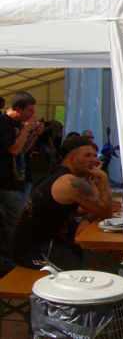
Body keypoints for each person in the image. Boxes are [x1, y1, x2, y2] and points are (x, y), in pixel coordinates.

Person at [13, 137, 119, 271]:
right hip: (35, 250)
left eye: (94, 155)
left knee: (112, 249)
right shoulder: (70, 182)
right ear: (71, 159)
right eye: (87, 156)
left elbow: (85, 209)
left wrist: (86, 218)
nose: (95, 160)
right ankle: (96, 288)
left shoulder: (63, 176)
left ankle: (106, 287)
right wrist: (103, 179)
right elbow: (106, 213)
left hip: (52, 241)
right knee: (90, 269)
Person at [0, 91, 40, 271]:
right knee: (14, 224)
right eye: (29, 111)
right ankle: (11, 262)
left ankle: (13, 259)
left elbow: (23, 150)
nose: (32, 115)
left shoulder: (18, 124)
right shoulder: (4, 123)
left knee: (19, 222)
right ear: (18, 109)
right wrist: (25, 129)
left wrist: (34, 135)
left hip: (22, 179)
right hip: (8, 183)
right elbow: (14, 149)